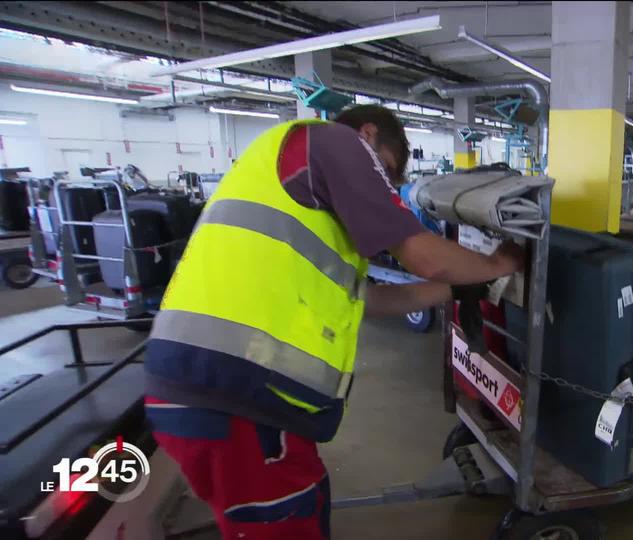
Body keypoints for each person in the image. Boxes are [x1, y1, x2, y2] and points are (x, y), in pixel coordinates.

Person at [143, 105, 523, 539]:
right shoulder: (333, 141)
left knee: (309, 501)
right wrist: (496, 263)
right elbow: (420, 253)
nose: (382, 185)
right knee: (286, 527)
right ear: (368, 133)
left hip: (225, 389)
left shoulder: (308, 209)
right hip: (235, 392)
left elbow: (374, 300)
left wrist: (463, 287)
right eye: (386, 169)